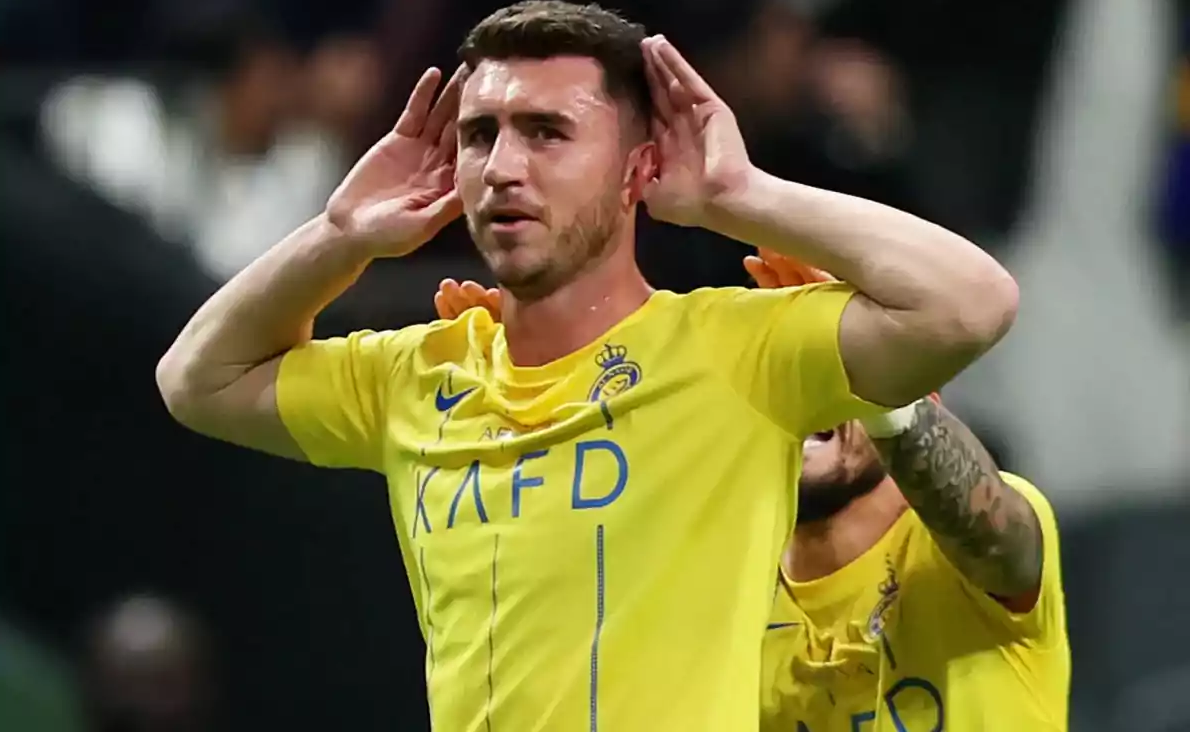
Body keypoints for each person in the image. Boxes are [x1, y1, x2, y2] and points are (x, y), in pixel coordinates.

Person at [156, 0, 1019, 731]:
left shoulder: (739, 351)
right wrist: (339, 240)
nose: (502, 168)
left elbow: (970, 303)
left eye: (546, 133)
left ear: (637, 168)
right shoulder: (418, 374)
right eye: (479, 135)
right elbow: (196, 381)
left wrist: (744, 198)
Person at [436, 249, 1069, 731]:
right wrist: (541, 436)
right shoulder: (722, 587)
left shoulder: (968, 545)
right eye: (788, 380)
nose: (806, 398)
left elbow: (1000, 546)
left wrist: (877, 380)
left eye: (830, 377)